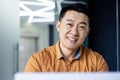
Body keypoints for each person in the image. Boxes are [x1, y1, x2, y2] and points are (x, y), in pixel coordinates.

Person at [24, 3, 109, 72]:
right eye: (69, 24)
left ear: (87, 32)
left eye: (81, 27)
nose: (74, 32)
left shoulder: (97, 61)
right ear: (58, 26)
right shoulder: (38, 60)